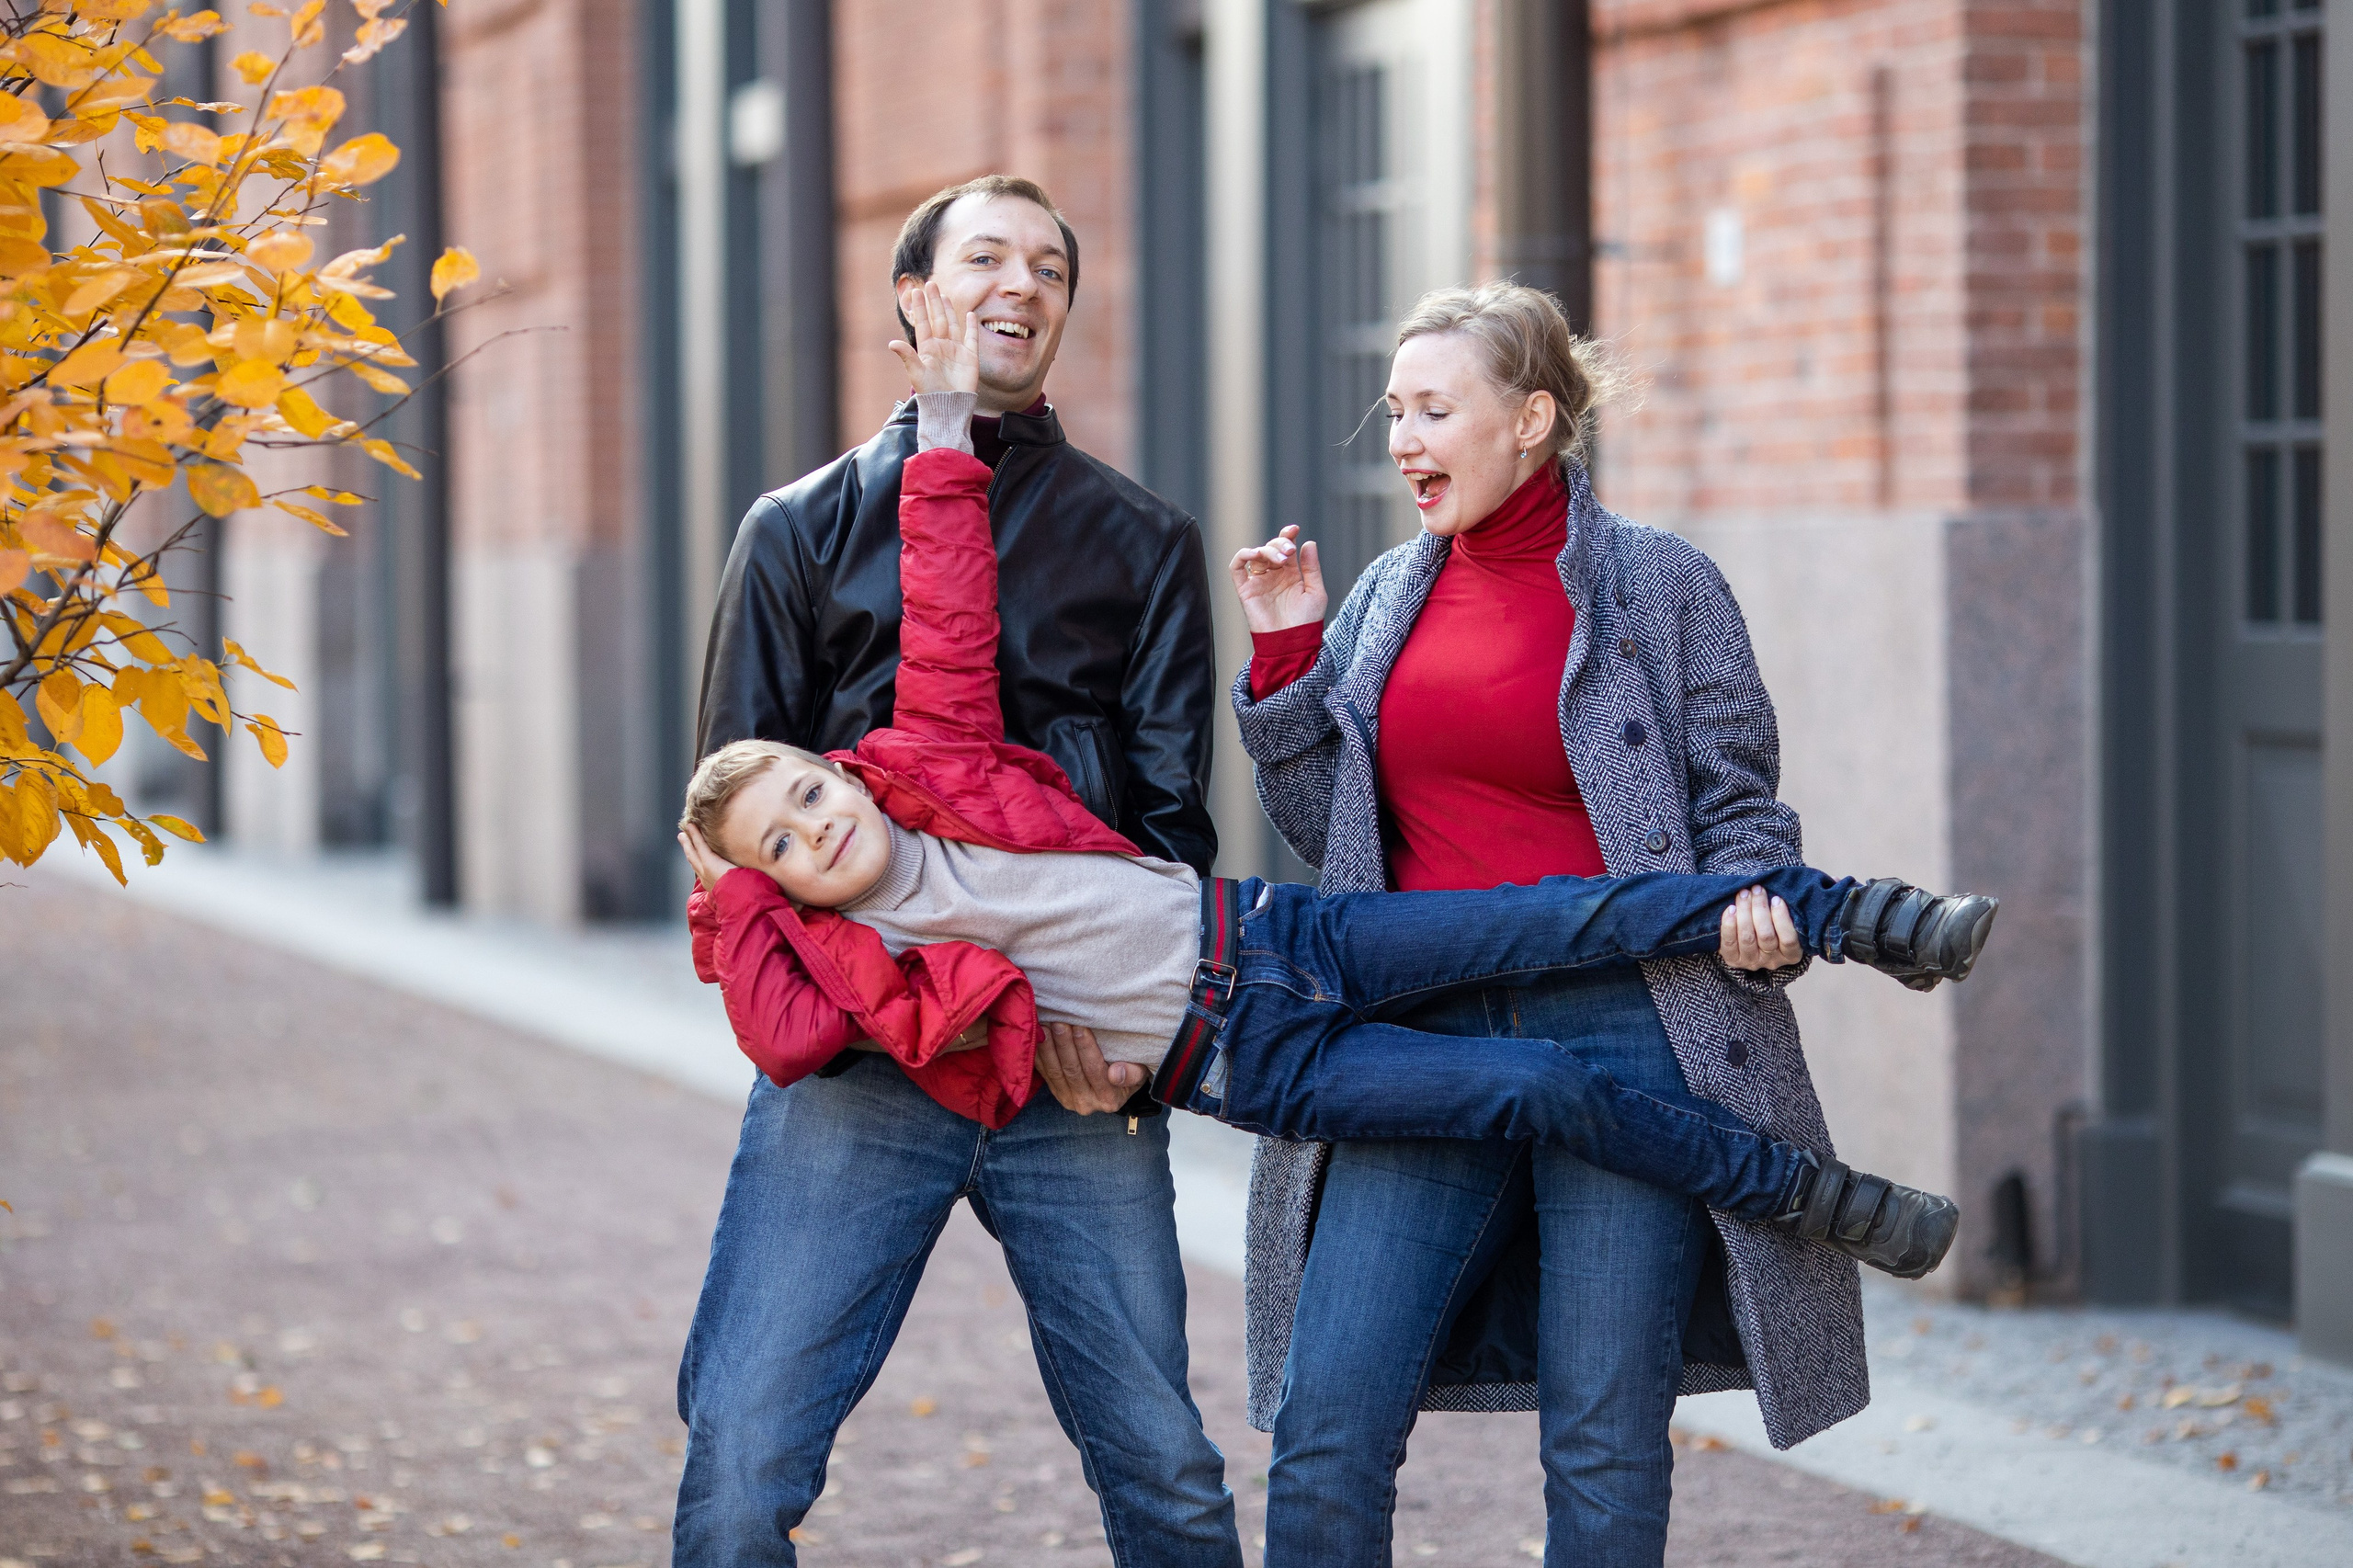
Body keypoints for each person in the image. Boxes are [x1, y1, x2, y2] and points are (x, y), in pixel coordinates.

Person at [676, 286, 1994, 1288]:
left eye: (806, 793)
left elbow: (949, 596)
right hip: (1252, 1058)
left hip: (1277, 931)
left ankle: (1869, 918)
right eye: (779, 845)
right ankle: (1812, 1196)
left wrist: (948, 416)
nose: (815, 829)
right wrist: (728, 897)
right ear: (768, 889)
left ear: (836, 761)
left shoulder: (935, 768)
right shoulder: (847, 958)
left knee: (1578, 908)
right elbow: (785, 1039)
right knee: (1537, 1088)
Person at [1225, 281, 1894, 1566]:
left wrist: (1758, 898)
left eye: (1434, 410)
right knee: (1326, 1428)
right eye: (1394, 412)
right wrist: (1287, 660)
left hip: (1627, 1031)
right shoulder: (1382, 595)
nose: (1403, 440)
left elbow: (1737, 798)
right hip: (1417, 1037)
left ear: (1531, 419)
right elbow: (1333, 834)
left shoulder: (1661, 584)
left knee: (1603, 1441)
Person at [674, 176, 1237, 1568]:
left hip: (1073, 1064)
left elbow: (1173, 825)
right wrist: (840, 1008)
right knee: (742, 1458)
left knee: (1166, 1467)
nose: (1022, 284)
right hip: (869, 1068)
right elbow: (728, 838)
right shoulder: (796, 527)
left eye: (1050, 267)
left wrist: (1129, 1046)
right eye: (988, 256)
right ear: (914, 296)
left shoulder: (1144, 540)